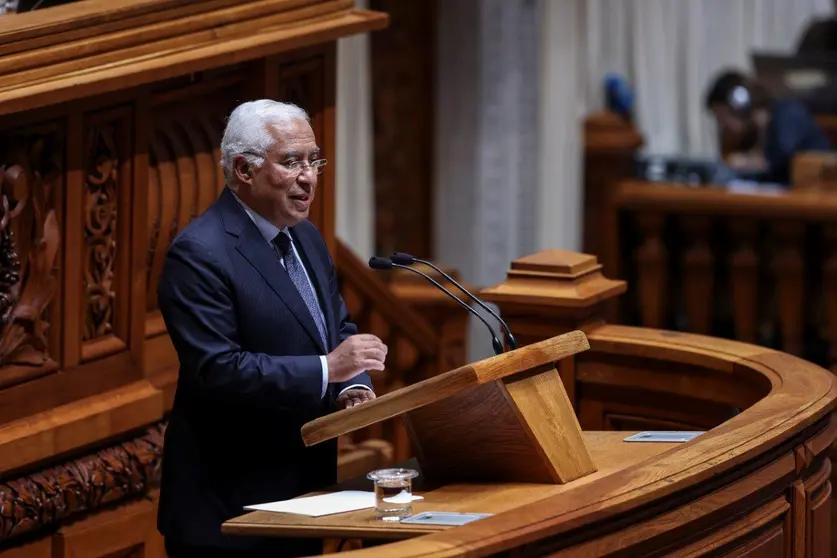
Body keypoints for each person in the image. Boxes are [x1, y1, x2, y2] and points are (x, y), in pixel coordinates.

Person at [156, 100, 388, 557]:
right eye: (292, 162)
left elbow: (334, 327)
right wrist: (328, 370)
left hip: (303, 496)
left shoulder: (305, 235)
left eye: (313, 160)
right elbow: (219, 370)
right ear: (243, 169)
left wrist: (349, 386)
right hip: (229, 509)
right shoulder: (199, 254)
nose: (309, 177)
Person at [704, 69, 832, 186]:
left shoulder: (788, 114)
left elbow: (779, 160)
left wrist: (744, 162)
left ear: (739, 106)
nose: (722, 125)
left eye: (722, 117)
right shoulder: (754, 133)